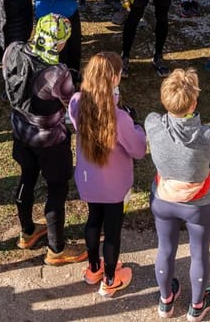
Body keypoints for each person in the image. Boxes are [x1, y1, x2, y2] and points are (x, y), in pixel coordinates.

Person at [2, 13, 87, 265]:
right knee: (57, 189)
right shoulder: (57, 73)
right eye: (63, 41)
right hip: (50, 140)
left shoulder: (13, 50)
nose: (64, 45)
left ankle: (27, 231)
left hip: (21, 131)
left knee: (27, 177)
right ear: (57, 43)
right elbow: (70, 102)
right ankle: (57, 249)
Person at [145, 69, 210, 321]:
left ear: (164, 99)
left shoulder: (153, 124)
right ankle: (197, 306)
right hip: (199, 204)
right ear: (194, 103)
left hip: (164, 200)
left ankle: (166, 301)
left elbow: (153, 122)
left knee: (165, 249)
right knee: (199, 253)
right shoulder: (209, 134)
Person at [68, 51, 146, 296]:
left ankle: (93, 269)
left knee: (93, 221)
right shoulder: (120, 118)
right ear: (114, 79)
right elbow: (139, 149)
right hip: (115, 186)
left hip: (88, 181)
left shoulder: (77, 102)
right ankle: (111, 278)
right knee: (112, 231)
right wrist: (138, 126)